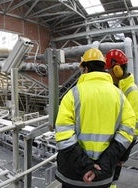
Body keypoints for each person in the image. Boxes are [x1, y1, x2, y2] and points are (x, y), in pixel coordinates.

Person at [55, 48, 135, 188]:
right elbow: (128, 132)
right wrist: (104, 163)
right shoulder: (120, 96)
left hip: (74, 175)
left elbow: (63, 136)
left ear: (85, 69)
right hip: (102, 174)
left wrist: (86, 166)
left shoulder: (73, 95)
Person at [105, 49, 138, 184]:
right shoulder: (116, 88)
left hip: (119, 147)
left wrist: (121, 154)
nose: (108, 74)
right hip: (111, 145)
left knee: (111, 179)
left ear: (117, 69)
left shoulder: (132, 92)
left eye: (110, 70)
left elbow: (134, 129)